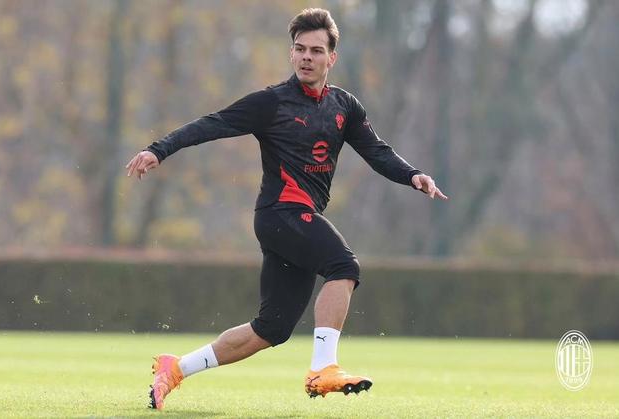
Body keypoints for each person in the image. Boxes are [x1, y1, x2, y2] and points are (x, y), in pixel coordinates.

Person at [126, 8, 447, 410]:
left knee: (271, 329)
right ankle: (323, 369)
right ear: (291, 53)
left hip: (295, 220)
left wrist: (412, 175)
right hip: (280, 213)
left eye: (316, 50)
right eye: (300, 49)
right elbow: (212, 123)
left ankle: (176, 368)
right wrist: (158, 150)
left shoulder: (345, 106)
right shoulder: (271, 102)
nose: (306, 57)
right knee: (343, 266)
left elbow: (377, 151)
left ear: (332, 58)